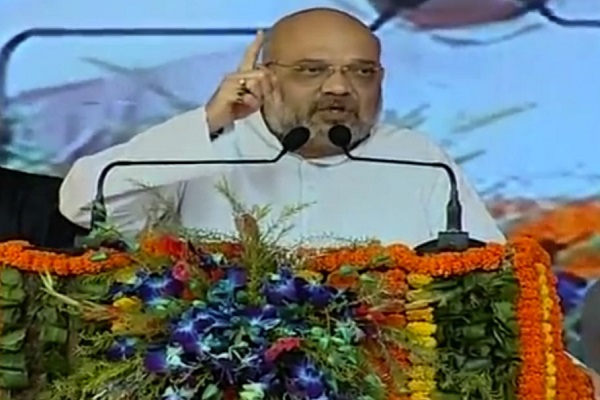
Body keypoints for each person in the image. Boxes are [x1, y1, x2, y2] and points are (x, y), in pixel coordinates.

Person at [58, 7, 502, 246]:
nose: (339, 87)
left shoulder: (418, 160)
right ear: (265, 76)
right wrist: (209, 122)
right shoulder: (206, 147)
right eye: (312, 70)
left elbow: (491, 275)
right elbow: (83, 204)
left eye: (362, 72)